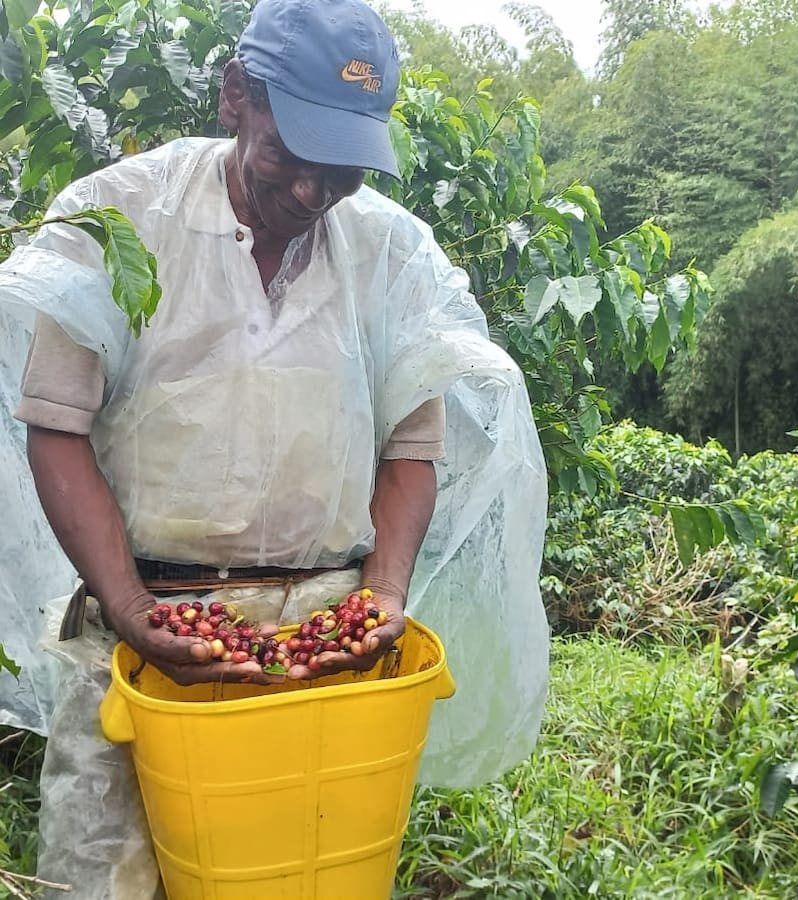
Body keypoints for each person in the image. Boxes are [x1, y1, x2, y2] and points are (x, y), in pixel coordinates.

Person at [0, 0, 551, 896]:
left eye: (342, 171)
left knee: (298, 870)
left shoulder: (388, 253)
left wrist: (383, 593)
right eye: (290, 156)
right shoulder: (116, 217)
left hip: (319, 635)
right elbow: (56, 427)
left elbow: (413, 446)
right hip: (145, 627)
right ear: (234, 99)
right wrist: (133, 605)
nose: (312, 192)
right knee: (103, 877)